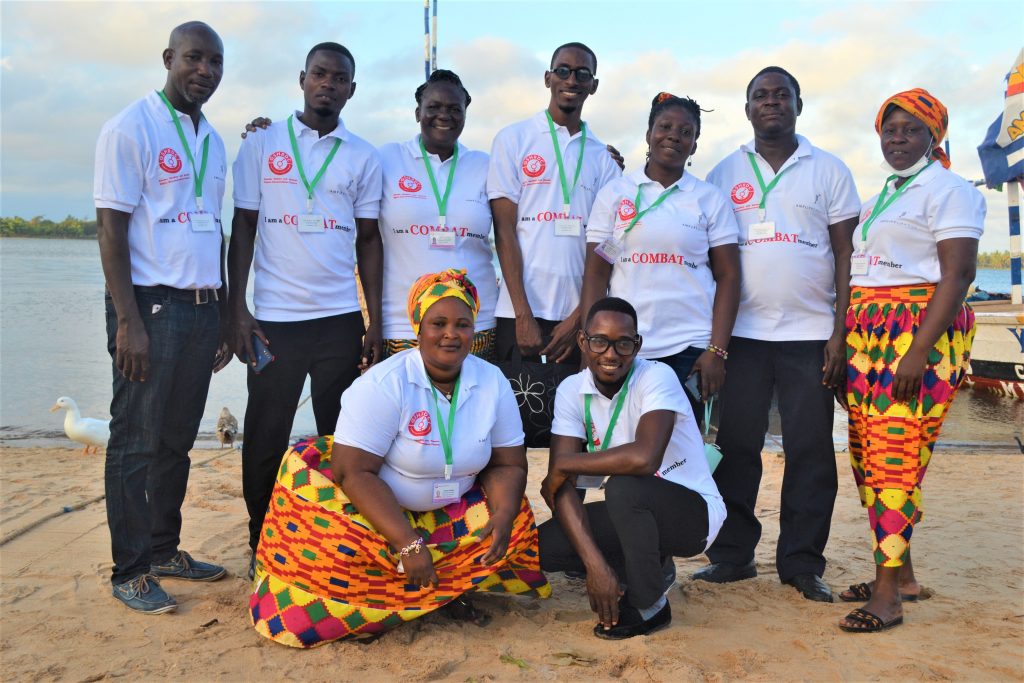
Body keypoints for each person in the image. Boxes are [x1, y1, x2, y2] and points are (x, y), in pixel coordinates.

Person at [249, 269, 550, 647]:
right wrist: (407, 542)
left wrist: (503, 515)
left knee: (515, 516)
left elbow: (508, 463)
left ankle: (444, 593)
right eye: (438, 323)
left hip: (452, 506)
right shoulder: (383, 384)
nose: (451, 334)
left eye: (462, 324)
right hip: (377, 511)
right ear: (418, 328)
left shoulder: (492, 381)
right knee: (335, 549)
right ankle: (386, 598)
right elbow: (352, 472)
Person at [694, 66, 862, 603]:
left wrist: (840, 331)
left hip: (810, 335)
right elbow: (708, 257)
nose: (772, 102)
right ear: (747, 109)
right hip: (741, 337)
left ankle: (802, 564)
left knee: (810, 451)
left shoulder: (829, 169)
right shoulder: (723, 172)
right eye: (761, 96)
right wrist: (714, 342)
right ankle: (733, 557)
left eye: (781, 94)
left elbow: (846, 253)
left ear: (798, 105)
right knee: (736, 447)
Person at [228, 42, 384, 578]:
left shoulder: (363, 156)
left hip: (339, 320)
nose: (328, 85)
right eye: (319, 74)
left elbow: (369, 240)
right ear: (302, 79)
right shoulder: (261, 143)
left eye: (339, 79)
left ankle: (337, 540)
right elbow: (243, 226)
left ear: (351, 90)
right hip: (274, 320)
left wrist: (374, 320)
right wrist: (237, 309)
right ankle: (260, 540)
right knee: (265, 436)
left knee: (342, 440)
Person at [94, 21, 229, 614]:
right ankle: (129, 571)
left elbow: (215, 229)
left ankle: (164, 550)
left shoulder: (212, 138)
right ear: (169, 58)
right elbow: (110, 230)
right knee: (135, 442)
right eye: (194, 58)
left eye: (215, 62)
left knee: (176, 441)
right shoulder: (130, 127)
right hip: (150, 306)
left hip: (202, 309)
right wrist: (128, 322)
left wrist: (223, 310)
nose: (205, 70)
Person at [838, 89, 982, 632]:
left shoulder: (951, 190)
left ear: (934, 135)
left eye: (911, 129)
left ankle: (887, 598)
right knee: (868, 458)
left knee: (894, 457)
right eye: (890, 129)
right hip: (870, 336)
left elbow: (959, 274)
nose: (897, 139)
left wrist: (917, 351)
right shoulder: (888, 191)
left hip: (916, 335)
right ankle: (903, 577)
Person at [538, 297, 726, 639]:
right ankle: (642, 569)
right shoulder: (571, 390)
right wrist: (595, 566)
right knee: (544, 546)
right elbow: (562, 486)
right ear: (583, 341)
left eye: (623, 343)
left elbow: (645, 458)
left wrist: (563, 463)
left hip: (693, 515)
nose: (611, 354)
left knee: (625, 486)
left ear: (637, 345)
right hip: (634, 512)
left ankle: (650, 604)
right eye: (600, 341)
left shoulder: (656, 377)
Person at [580, 92, 740, 418]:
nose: (674, 136)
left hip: (690, 347)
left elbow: (729, 276)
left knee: (680, 444)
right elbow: (596, 273)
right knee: (618, 438)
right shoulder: (616, 193)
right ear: (649, 134)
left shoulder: (709, 198)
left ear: (694, 145)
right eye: (665, 127)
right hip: (622, 344)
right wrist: (589, 344)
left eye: (686, 132)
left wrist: (716, 351)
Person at [488, 42, 622, 367]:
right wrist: (522, 314)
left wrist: (580, 317)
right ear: (548, 78)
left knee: (573, 402)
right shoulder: (513, 139)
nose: (571, 80)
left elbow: (609, 246)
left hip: (578, 318)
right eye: (563, 71)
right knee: (515, 401)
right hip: (517, 313)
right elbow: (504, 230)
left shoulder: (603, 158)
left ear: (594, 85)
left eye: (582, 74)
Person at [377, 70, 498, 360]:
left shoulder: (485, 165)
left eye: (455, 109)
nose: (444, 115)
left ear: (465, 114)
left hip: (475, 325)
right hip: (403, 325)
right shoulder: (386, 159)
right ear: (417, 112)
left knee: (472, 392)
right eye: (434, 107)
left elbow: (509, 236)